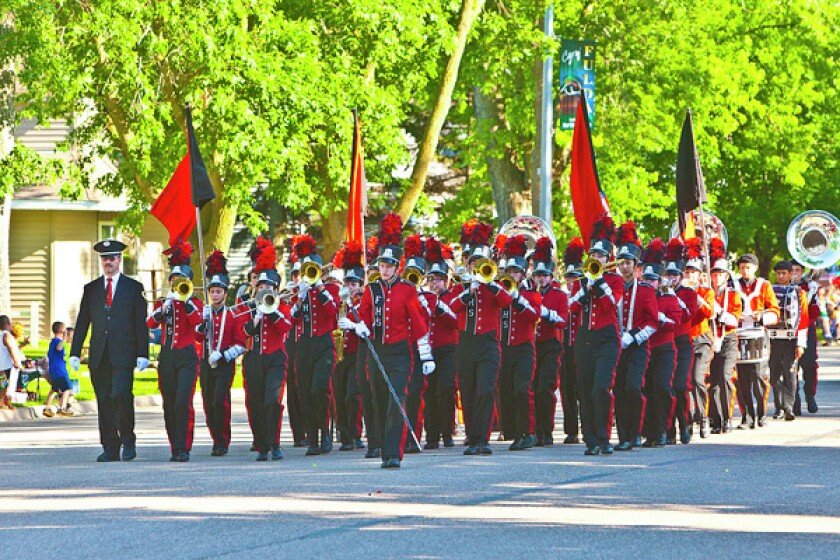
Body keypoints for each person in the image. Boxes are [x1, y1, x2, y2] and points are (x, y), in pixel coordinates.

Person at [339, 212, 432, 469]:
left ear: (397, 267)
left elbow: (419, 322)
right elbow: (365, 319)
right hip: (376, 351)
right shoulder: (371, 290)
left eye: (389, 266)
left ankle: (394, 452)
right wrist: (356, 326)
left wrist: (426, 355)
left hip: (400, 353)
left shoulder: (407, 290)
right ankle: (382, 448)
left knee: (396, 399)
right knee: (379, 400)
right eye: (381, 265)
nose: (385, 269)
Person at [70, 239, 149, 462]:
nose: (108, 263)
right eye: (105, 259)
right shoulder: (92, 288)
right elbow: (83, 320)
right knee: (104, 400)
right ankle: (110, 447)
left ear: (119, 260)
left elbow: (140, 323)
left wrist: (143, 353)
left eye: (112, 258)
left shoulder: (134, 288)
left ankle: (128, 439)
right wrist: (75, 352)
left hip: (124, 353)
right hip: (99, 355)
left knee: (120, 395)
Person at [448, 221, 513, 456]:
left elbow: (507, 301)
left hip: (488, 344)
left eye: (482, 263)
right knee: (468, 391)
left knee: (486, 388)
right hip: (466, 343)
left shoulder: (495, 284)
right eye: (474, 262)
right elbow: (452, 307)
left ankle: (483, 438)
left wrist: (490, 284)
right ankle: (473, 436)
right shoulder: (462, 285)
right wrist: (470, 291)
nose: (477, 266)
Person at [570, 214, 624, 456]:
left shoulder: (615, 279)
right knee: (585, 389)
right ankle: (590, 439)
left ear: (608, 258)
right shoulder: (581, 280)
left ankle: (604, 437)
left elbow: (610, 306)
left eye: (601, 256)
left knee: (601, 388)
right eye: (593, 256)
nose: (596, 259)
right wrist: (585, 288)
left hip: (607, 339)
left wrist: (599, 283)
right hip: (585, 339)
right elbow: (571, 308)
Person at [146, 240, 203, 462]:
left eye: (181, 281)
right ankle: (174, 445)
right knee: (169, 403)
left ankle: (184, 446)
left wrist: (186, 302)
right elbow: (150, 323)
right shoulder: (163, 302)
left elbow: (199, 325)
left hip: (188, 356)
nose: (176, 283)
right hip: (167, 356)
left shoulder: (195, 303)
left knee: (182, 402)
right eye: (173, 280)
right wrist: (164, 307)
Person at [241, 238, 293, 461]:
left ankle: (275, 442)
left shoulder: (282, 306)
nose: (264, 290)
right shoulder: (248, 305)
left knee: (272, 401)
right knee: (256, 402)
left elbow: (285, 327)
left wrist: (271, 311)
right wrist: (256, 317)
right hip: (254, 358)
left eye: (268, 287)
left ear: (275, 288)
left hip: (275, 358)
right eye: (260, 287)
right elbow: (243, 331)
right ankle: (262, 445)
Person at [291, 234, 341, 457]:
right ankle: (313, 438)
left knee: (319, 388)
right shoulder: (299, 292)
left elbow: (332, 313)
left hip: (324, 343)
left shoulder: (330, 289)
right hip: (304, 345)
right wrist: (300, 299)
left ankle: (325, 432)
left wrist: (319, 288)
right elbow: (291, 320)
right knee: (305, 392)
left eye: (312, 270)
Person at [612, 221, 657, 451]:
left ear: (636, 266)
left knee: (633, 387)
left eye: (628, 263)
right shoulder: (614, 286)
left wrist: (635, 336)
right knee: (619, 389)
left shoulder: (647, 289)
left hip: (638, 346)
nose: (624, 267)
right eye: (621, 263)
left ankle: (636, 431)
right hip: (617, 345)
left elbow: (653, 322)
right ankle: (623, 436)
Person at [197, 250, 246, 456]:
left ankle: (223, 440)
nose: (215, 295)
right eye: (212, 291)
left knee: (219, 400)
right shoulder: (205, 313)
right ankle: (215, 437)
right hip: (206, 362)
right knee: (208, 403)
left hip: (224, 364)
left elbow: (241, 343)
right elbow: (197, 337)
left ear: (226, 294)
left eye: (219, 291)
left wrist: (224, 354)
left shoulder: (233, 315)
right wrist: (202, 322)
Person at [639, 239, 685, 447]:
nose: (649, 283)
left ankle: (666, 429)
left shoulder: (669, 298)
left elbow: (675, 323)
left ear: (660, 281)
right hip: (644, 348)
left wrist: (656, 316)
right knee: (647, 390)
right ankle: (650, 432)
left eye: (653, 280)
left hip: (665, 349)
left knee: (663, 388)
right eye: (646, 279)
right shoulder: (639, 297)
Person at [733, 253, 780, 429]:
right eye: (742, 267)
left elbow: (774, 310)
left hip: (758, 333)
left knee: (759, 377)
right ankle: (746, 416)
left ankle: (761, 413)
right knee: (742, 378)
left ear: (755, 268)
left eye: (748, 267)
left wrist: (760, 316)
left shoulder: (764, 285)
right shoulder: (733, 285)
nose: (745, 271)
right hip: (738, 333)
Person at [422, 236, 459, 449]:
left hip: (447, 349)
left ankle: (447, 432)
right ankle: (432, 435)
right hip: (428, 349)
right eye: (432, 278)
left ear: (446, 280)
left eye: (438, 279)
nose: (434, 283)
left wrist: (438, 306)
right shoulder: (424, 296)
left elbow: (455, 322)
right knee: (429, 391)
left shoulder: (452, 296)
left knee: (445, 390)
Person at [532, 236, 567, 447]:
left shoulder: (559, 295)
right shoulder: (528, 292)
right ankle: (536, 430)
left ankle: (547, 430)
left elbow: (563, 320)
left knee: (545, 387)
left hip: (551, 344)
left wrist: (547, 313)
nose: (541, 279)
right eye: (537, 275)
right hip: (532, 344)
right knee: (533, 388)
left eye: (544, 275)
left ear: (551, 276)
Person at [663, 238, 698, 444]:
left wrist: (672, 296)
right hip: (667, 343)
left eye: (675, 275)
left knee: (680, 386)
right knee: (666, 387)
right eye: (668, 274)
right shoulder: (661, 293)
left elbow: (686, 315)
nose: (672, 278)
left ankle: (685, 424)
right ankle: (669, 429)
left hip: (683, 344)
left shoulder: (688, 293)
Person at [332, 241, 366, 451]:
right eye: (348, 283)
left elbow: (365, 323)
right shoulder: (337, 302)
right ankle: (344, 435)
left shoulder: (363, 301)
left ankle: (355, 433)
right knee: (339, 395)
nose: (350, 287)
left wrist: (352, 324)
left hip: (356, 354)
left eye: (354, 284)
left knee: (353, 394)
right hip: (339, 355)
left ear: (360, 285)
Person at [707, 239, 742, 434]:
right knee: (712, 380)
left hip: (727, 339)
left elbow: (734, 320)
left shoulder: (733, 295)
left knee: (726, 378)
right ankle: (715, 418)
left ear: (726, 276)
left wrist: (719, 311)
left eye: (720, 274)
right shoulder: (706, 292)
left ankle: (727, 417)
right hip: (709, 339)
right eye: (714, 274)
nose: (717, 277)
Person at [768, 260, 808, 421]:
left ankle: (788, 407)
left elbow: (803, 319)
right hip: (774, 339)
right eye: (778, 273)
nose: (781, 276)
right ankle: (778, 406)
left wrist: (801, 344)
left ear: (791, 274)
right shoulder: (770, 290)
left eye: (784, 273)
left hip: (791, 339)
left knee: (790, 373)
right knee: (774, 373)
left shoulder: (799, 293)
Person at [684, 238, 715, 438]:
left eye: (692, 272)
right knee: (683, 382)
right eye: (686, 272)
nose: (689, 275)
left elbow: (709, 313)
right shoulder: (679, 291)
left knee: (697, 379)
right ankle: (686, 419)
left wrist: (696, 294)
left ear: (699, 274)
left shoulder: (706, 291)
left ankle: (702, 416)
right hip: (683, 340)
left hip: (702, 339)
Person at [559, 238, 585, 444]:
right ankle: (571, 430)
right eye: (568, 277)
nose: (571, 281)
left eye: (574, 277)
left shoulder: (582, 292)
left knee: (582, 388)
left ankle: (586, 425)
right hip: (564, 347)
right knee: (567, 389)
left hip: (581, 344)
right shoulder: (562, 294)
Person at [790, 260, 819, 414]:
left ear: (802, 272)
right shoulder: (783, 287)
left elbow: (815, 312)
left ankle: (810, 395)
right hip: (789, 331)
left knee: (809, 365)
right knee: (789, 367)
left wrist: (809, 296)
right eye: (792, 270)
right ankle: (794, 399)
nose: (794, 273)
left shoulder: (810, 287)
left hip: (807, 330)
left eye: (797, 270)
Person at [43, 321, 75, 417]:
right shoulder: (58, 342)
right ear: (62, 331)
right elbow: (59, 348)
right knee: (68, 389)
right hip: (60, 371)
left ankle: (47, 407)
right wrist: (64, 339)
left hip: (53, 370)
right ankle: (62, 408)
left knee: (54, 389)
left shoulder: (52, 342)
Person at [0, 315, 23, 410]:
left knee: (5, 384)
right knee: (9, 383)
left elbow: (15, 349)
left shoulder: (3, 335)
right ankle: (4, 400)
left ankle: (5, 400)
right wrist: (15, 361)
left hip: (4, 364)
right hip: (9, 364)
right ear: (8, 323)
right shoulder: (6, 335)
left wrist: (23, 344)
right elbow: (10, 347)